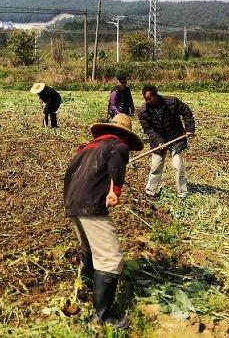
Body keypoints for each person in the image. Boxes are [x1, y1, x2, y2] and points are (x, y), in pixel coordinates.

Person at [64, 114, 144, 329]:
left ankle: (88, 287)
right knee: (110, 257)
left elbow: (70, 174)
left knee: (88, 247)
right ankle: (104, 317)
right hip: (90, 204)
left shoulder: (86, 148)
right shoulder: (119, 145)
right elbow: (117, 165)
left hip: (72, 202)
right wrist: (115, 190)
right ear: (125, 134)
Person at [137, 84, 196, 199]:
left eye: (150, 99)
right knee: (155, 167)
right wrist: (159, 141)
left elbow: (186, 112)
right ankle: (150, 192)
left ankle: (182, 194)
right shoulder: (143, 111)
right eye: (145, 99)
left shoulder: (172, 102)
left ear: (156, 95)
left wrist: (189, 129)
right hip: (158, 141)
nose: (147, 101)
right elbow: (148, 129)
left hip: (176, 137)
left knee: (177, 166)